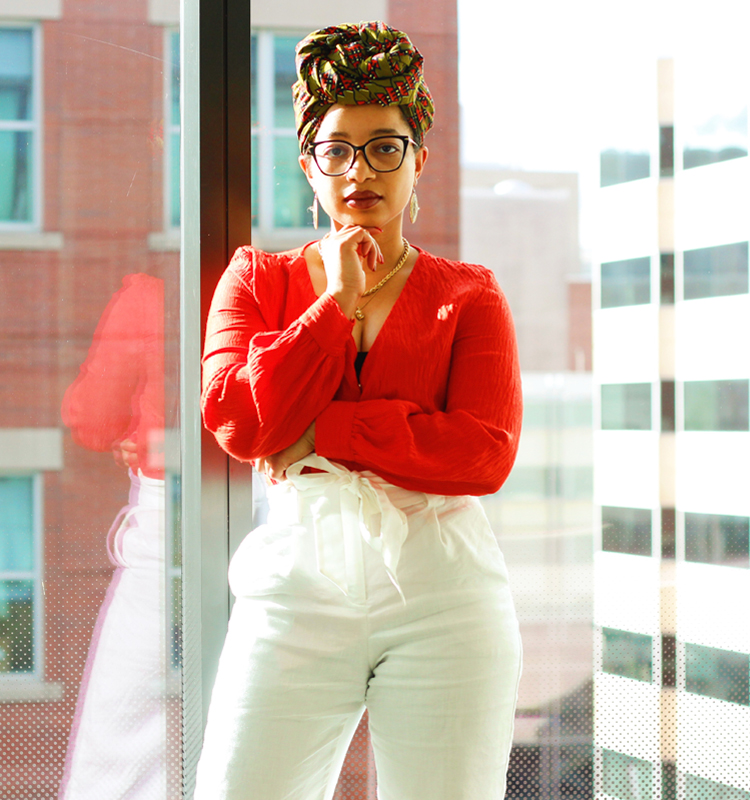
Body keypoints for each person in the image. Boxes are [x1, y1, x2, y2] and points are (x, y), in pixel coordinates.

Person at [195, 21, 523, 800]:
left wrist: (326, 431)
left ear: (419, 160)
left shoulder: (468, 294)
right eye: (336, 150)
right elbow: (238, 420)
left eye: (385, 146)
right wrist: (332, 307)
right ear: (309, 167)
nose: (359, 171)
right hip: (295, 592)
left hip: (445, 596)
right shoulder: (256, 281)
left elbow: (484, 451)